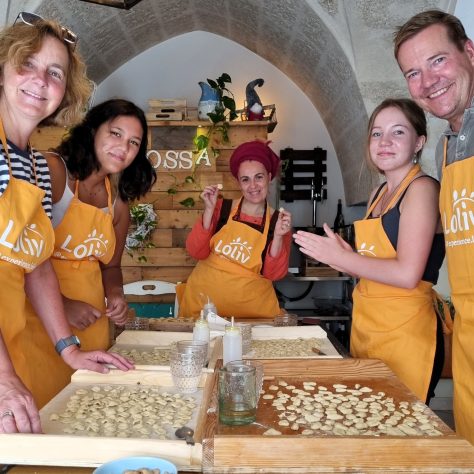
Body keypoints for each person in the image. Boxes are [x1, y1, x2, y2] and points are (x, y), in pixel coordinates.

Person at [0, 12, 133, 434]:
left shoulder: (34, 167)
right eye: (27, 63)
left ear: (65, 93)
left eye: (54, 73)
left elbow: (36, 263)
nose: (40, 80)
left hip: (14, 342)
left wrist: (68, 348)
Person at [293, 98, 445, 402]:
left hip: (407, 333)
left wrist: (344, 258)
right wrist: (346, 259)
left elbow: (406, 274)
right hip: (370, 326)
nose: (384, 142)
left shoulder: (422, 189)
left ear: (419, 142)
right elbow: (372, 267)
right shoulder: (378, 193)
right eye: (377, 133)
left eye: (398, 132)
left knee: (401, 432)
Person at [21, 99, 156, 409]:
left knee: (88, 411)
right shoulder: (52, 171)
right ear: (93, 130)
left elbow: (111, 268)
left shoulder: (118, 204)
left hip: (91, 326)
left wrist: (117, 297)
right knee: (43, 413)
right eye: (116, 134)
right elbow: (22, 257)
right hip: (39, 323)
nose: (124, 147)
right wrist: (64, 305)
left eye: (134, 142)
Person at [394, 9, 474, 443]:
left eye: (438, 61)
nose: (427, 82)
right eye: (413, 72)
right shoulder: (447, 146)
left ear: (470, 52)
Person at [178, 140, 292, 319]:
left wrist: (278, 236)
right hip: (203, 312)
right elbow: (196, 251)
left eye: (259, 177)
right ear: (238, 182)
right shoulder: (220, 208)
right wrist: (208, 210)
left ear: (269, 177)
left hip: (253, 317)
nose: (253, 186)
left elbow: (274, 274)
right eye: (245, 179)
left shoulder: (279, 221)